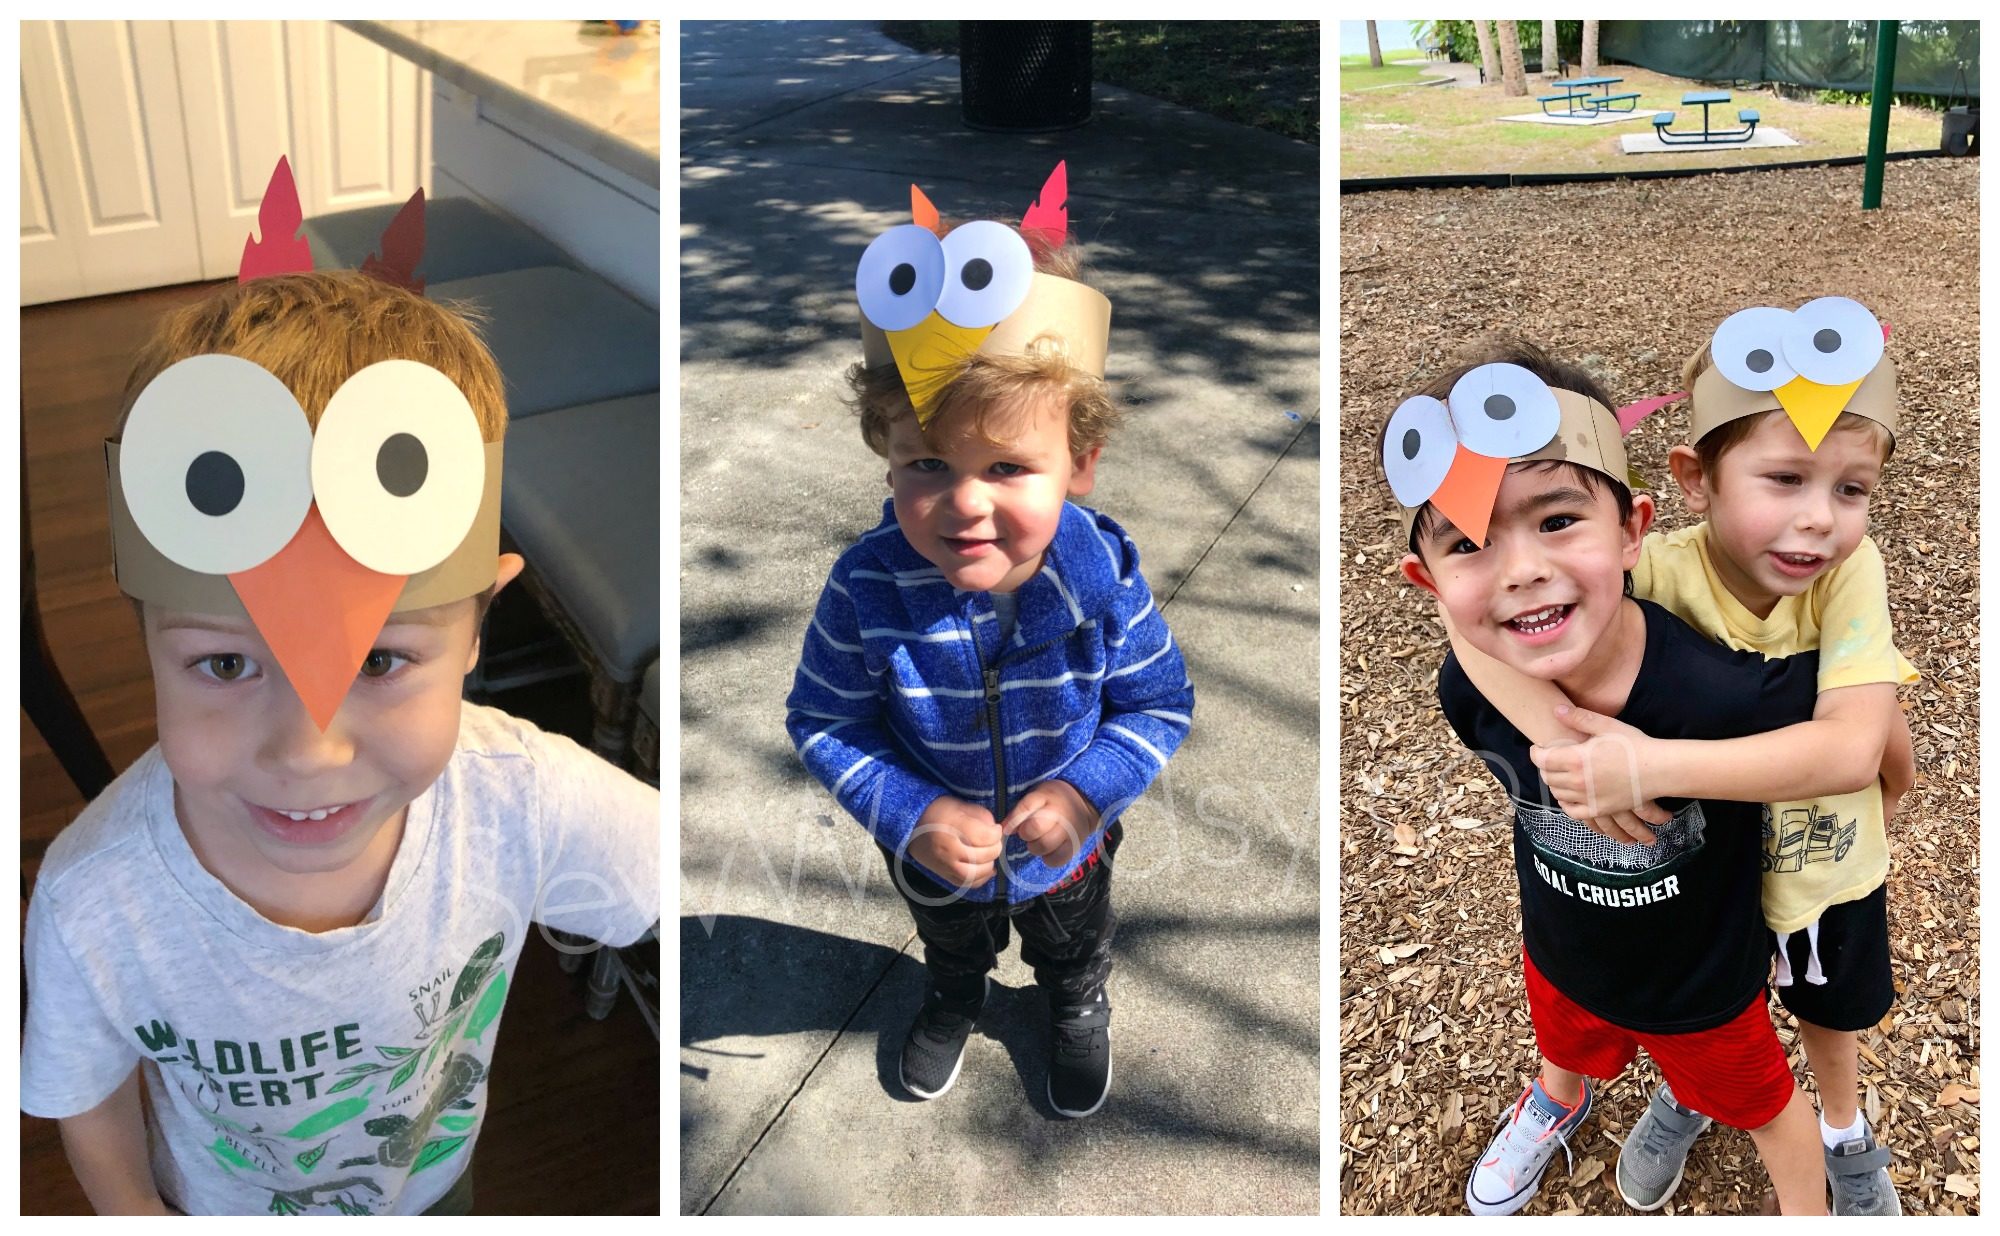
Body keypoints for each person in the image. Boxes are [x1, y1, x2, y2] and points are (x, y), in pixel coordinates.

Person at [19, 166, 659, 1216]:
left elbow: (692, 864)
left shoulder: (521, 798)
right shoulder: (96, 900)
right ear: (142, 637)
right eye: (225, 664)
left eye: (378, 661)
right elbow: (83, 1096)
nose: (307, 750)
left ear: (476, 633)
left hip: (435, 1189)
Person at [1443, 299, 1913, 1215]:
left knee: (1827, 1015)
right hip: (1707, 888)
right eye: (1785, 479)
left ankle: (1846, 1132)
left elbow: (1856, 745)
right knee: (1717, 1028)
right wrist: (1560, 733)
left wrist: (1647, 768)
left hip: (1821, 863)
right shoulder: (1645, 566)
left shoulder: (1854, 573)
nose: (1819, 521)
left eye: (1851, 490)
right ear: (1695, 478)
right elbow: (1472, 626)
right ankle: (1691, 1097)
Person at [786, 164, 1193, 1119]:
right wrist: (908, 809)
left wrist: (1090, 793)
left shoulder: (1103, 581)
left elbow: (1157, 700)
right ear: (884, 451)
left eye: (1009, 466)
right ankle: (956, 992)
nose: (965, 503)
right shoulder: (867, 587)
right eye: (926, 463)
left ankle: (1074, 1000)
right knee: (951, 935)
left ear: (1081, 464)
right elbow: (823, 717)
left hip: (1068, 851)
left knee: (1070, 936)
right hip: (932, 847)